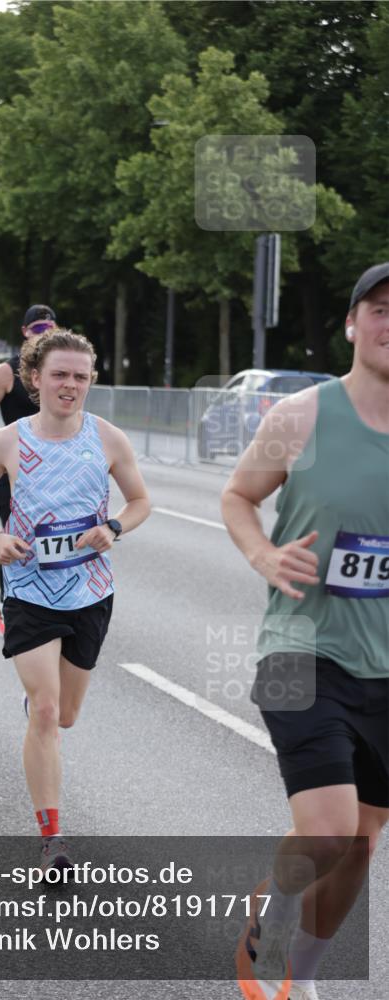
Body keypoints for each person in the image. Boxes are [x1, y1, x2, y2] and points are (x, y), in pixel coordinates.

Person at [221, 263, 389, 1000]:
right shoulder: (304, 417)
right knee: (326, 830)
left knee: (360, 842)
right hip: (299, 647)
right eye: (378, 309)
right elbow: (236, 496)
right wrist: (262, 553)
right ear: (351, 324)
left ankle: (304, 979)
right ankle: (271, 909)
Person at [0, 328, 151, 872]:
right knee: (45, 710)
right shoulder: (7, 441)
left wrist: (114, 526)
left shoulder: (109, 439)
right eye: (60, 375)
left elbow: (140, 501)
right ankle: (52, 838)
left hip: (90, 589)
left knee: (65, 715)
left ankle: (40, 706)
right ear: (35, 378)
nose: (70, 385)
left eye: (81, 377)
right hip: (27, 589)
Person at [0, 305, 57, 635]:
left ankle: (49, 604)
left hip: (52, 473)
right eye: (36, 328)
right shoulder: (7, 371)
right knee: (15, 542)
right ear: (25, 332)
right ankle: (9, 602)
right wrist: (5, 447)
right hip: (13, 474)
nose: (42, 333)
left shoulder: (56, 371)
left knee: (51, 539)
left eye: (48, 327)